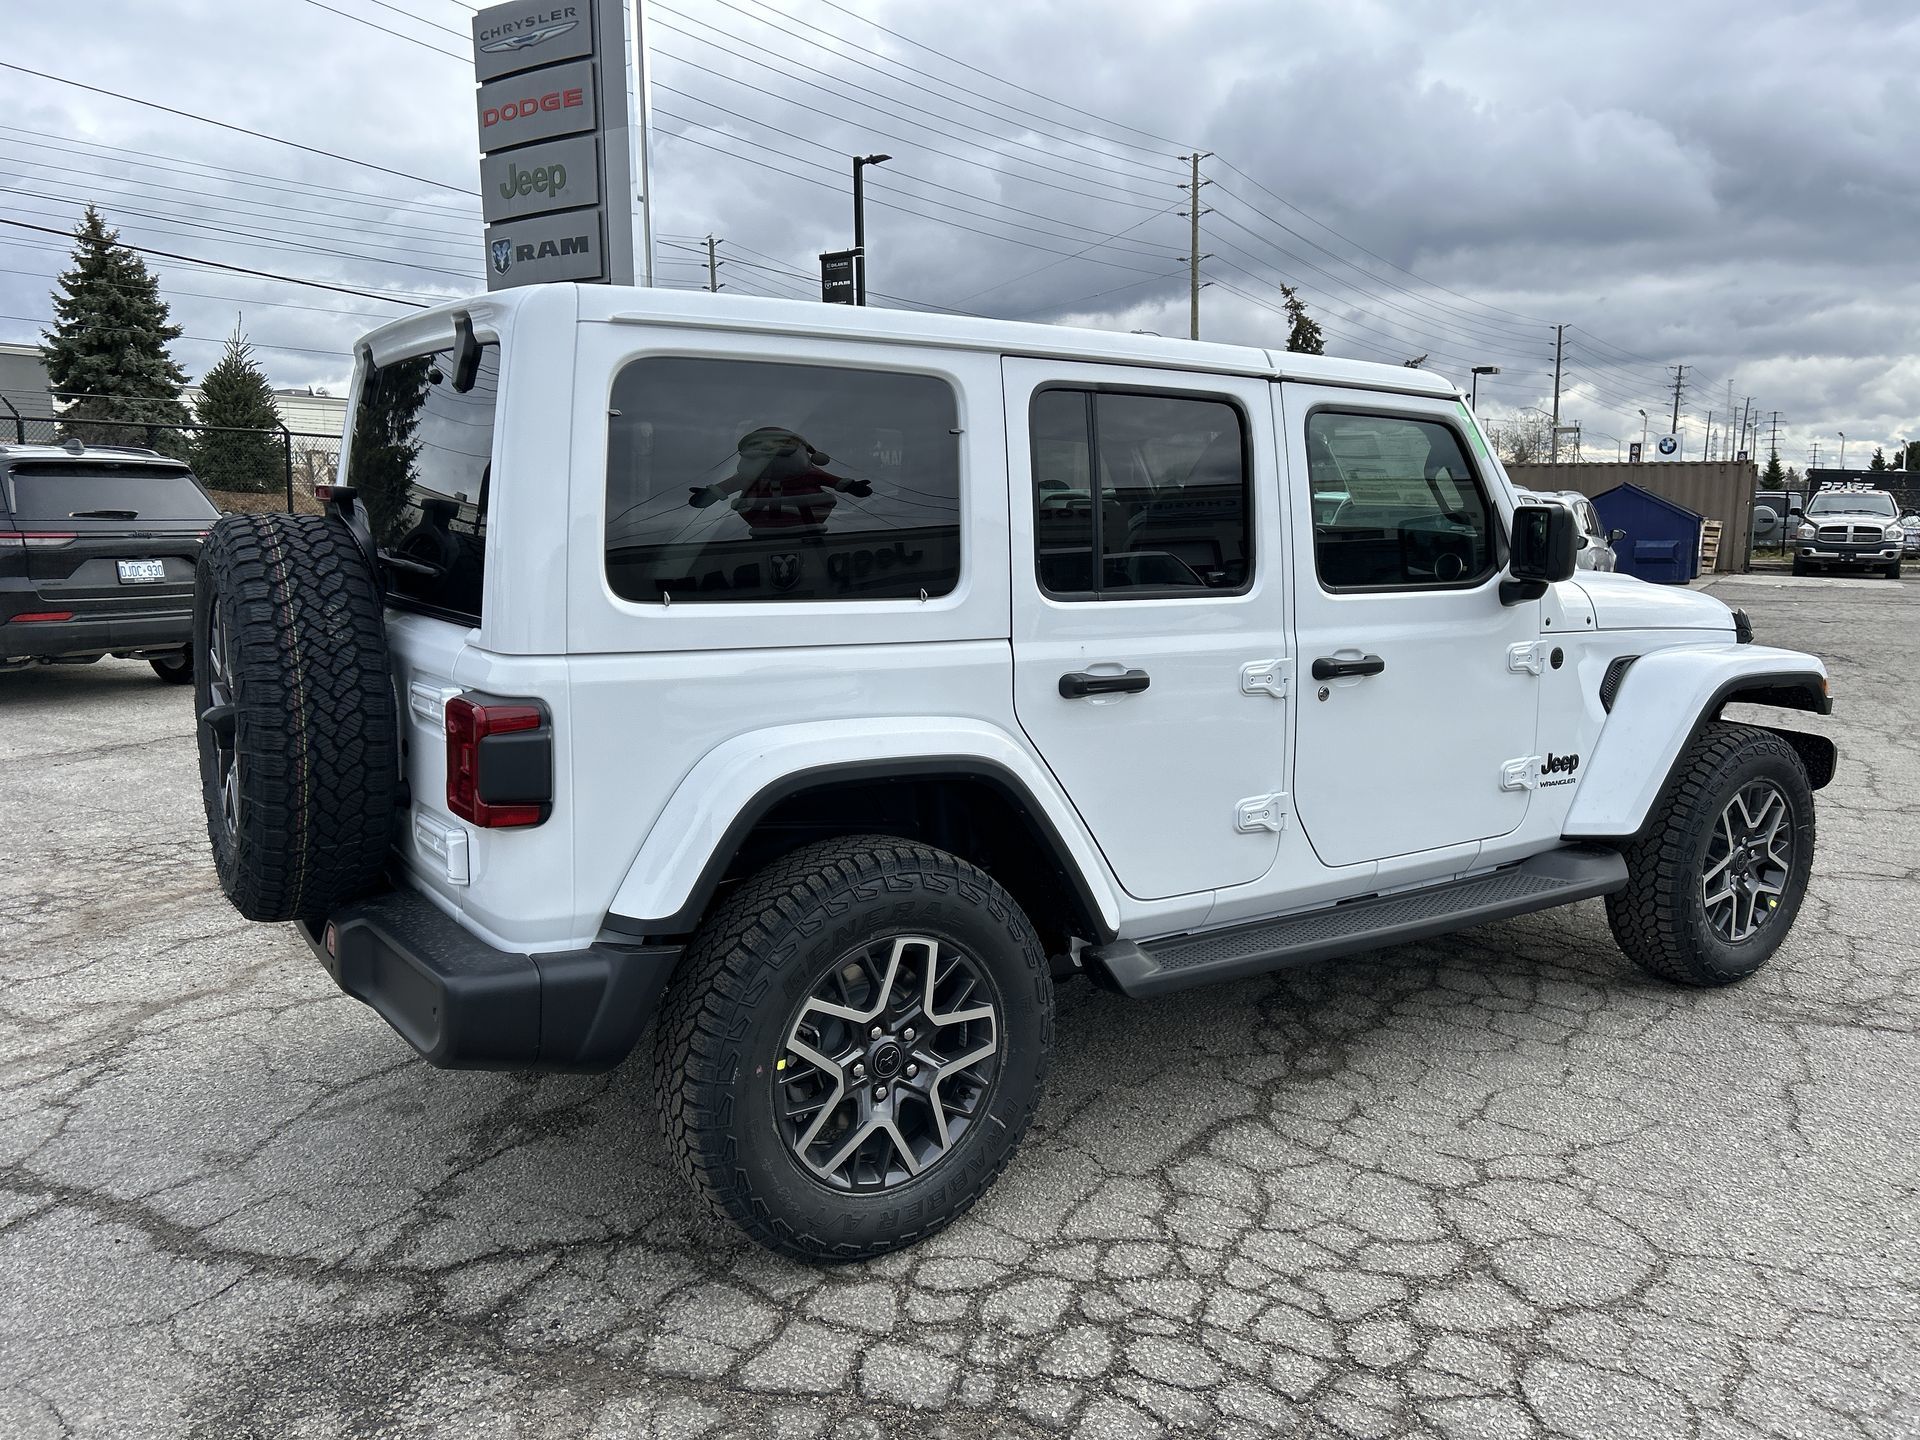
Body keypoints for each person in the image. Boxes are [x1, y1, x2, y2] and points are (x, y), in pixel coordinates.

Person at [689, 426, 872, 539]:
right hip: (762, 526)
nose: (769, 451)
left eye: (780, 445)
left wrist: (852, 486)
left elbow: (836, 482)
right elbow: (726, 487)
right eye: (760, 447)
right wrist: (709, 494)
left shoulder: (810, 473)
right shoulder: (747, 478)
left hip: (809, 523)